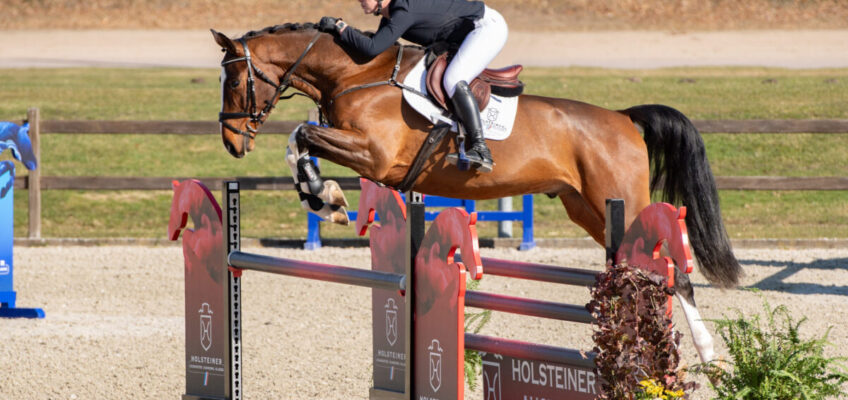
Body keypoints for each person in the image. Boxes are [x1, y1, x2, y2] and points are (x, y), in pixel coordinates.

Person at [318, 0, 508, 173]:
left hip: (486, 29)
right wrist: (339, 34)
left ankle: (481, 149)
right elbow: (373, 50)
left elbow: (372, 48)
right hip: (468, 32)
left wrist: (340, 27)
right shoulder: (392, 15)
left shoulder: (404, 10)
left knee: (453, 79)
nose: (359, 0)